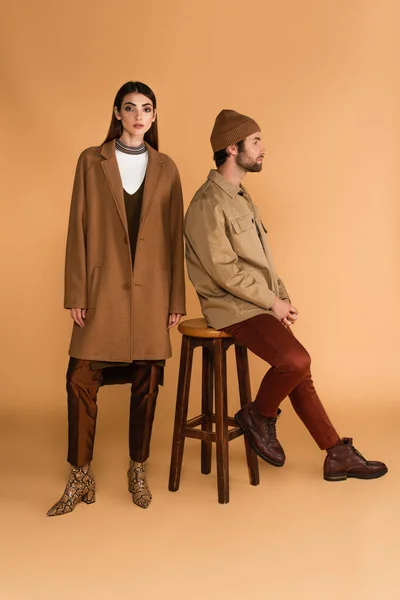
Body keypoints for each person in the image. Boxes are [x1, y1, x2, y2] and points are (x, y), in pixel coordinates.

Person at [183, 109, 387, 482]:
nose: (263, 148)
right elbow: (223, 270)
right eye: (255, 141)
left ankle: (336, 453)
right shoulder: (207, 204)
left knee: (299, 370)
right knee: (296, 360)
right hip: (230, 307)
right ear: (232, 147)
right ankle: (259, 415)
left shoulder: (240, 197)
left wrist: (281, 298)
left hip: (254, 303)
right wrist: (270, 301)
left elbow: (259, 261)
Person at [47, 81, 186, 516]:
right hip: (101, 289)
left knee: (147, 383)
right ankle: (79, 474)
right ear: (117, 113)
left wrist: (175, 298)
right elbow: (77, 226)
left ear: (155, 116)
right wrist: (75, 291)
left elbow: (173, 239)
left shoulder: (167, 167)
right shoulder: (91, 161)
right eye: (131, 108)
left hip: (151, 293)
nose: (139, 116)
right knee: (80, 379)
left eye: (147, 109)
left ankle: (137, 468)